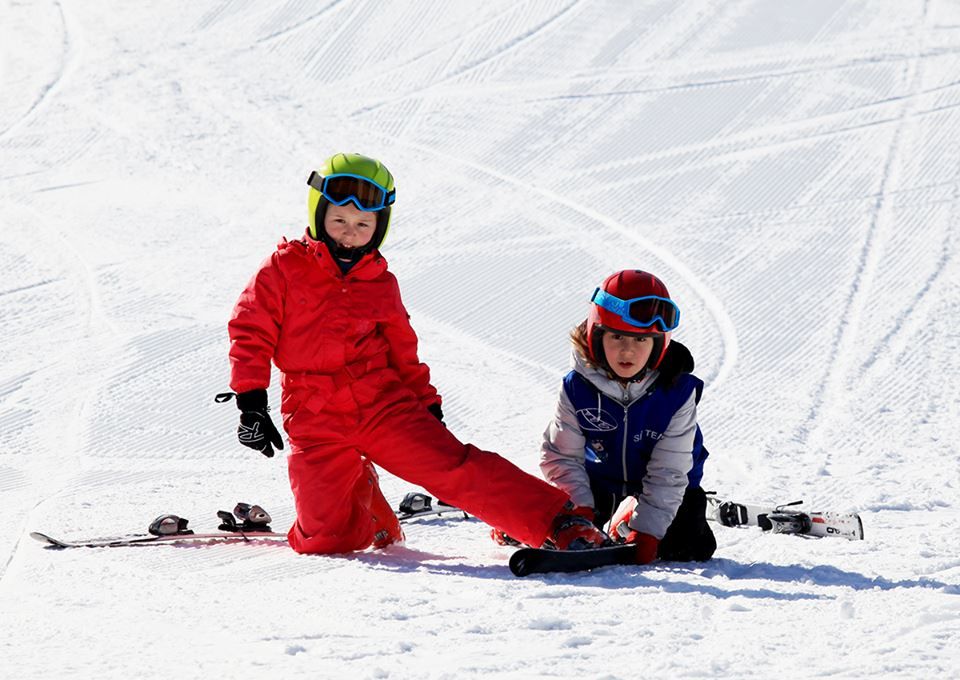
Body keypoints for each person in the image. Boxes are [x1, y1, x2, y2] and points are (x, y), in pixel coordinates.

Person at [223, 152, 607, 555]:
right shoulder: (284, 267)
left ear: (379, 227)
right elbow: (250, 328)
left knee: (451, 467)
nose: (348, 234)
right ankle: (366, 501)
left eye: (362, 225)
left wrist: (426, 402)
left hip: (381, 404)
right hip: (313, 413)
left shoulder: (380, 283)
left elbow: (402, 351)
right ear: (319, 216)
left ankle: (558, 522)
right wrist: (251, 402)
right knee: (325, 542)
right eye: (338, 221)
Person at [536, 269, 717, 564]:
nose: (627, 350)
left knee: (690, 547)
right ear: (597, 336)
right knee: (560, 526)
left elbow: (670, 470)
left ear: (658, 344)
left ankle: (631, 515)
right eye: (617, 336)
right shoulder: (576, 387)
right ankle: (520, 522)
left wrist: (647, 531)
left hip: (667, 487)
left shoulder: (678, 393)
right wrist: (578, 514)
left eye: (641, 340)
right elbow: (562, 457)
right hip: (599, 484)